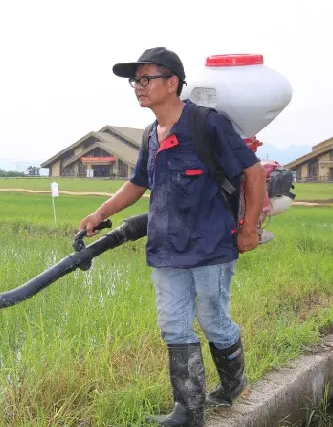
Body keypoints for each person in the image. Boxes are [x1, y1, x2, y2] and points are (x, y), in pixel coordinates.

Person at [79, 47, 266, 426]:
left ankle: (233, 386)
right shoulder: (151, 135)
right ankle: (189, 410)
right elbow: (137, 184)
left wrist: (248, 230)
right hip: (166, 248)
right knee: (173, 326)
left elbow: (253, 173)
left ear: (173, 83)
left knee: (213, 320)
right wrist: (101, 213)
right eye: (136, 81)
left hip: (211, 244)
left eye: (146, 79)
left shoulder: (206, 124)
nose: (138, 87)